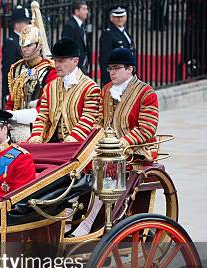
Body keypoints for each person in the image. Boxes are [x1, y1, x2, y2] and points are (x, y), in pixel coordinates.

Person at [71, 48, 159, 239]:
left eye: (116, 68)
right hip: (107, 146)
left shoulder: (146, 92)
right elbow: (99, 121)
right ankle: (70, 216)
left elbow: (147, 129)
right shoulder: (106, 90)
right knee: (77, 163)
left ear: (130, 69)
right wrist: (93, 141)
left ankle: (88, 224)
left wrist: (120, 144)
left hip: (136, 150)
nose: (112, 72)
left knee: (108, 165)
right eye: (110, 68)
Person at [28, 38, 100, 143]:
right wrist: (36, 135)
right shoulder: (50, 87)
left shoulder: (90, 88)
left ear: (75, 61)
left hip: (78, 144)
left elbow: (88, 118)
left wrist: (73, 138)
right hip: (51, 142)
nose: (56, 65)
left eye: (61, 61)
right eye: (55, 60)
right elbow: (42, 116)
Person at [4, 4, 57, 142]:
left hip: (39, 125)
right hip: (15, 121)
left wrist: (14, 116)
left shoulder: (49, 71)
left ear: (39, 45)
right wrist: (8, 116)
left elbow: (46, 106)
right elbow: (12, 100)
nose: (24, 49)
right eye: (22, 45)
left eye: (28, 45)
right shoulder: (17, 68)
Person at [99, 6, 134, 86]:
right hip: (116, 77)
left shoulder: (125, 32)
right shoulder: (108, 34)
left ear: (126, 17)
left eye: (122, 16)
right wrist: (108, 79)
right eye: (117, 17)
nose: (120, 19)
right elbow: (105, 59)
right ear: (111, 18)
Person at [1, 5, 30, 101]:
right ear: (17, 25)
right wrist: (9, 91)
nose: (28, 25)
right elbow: (8, 69)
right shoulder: (12, 42)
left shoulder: (24, 40)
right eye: (25, 23)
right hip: (15, 89)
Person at [61, 0, 90, 74]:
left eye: (87, 9)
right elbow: (66, 47)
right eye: (84, 9)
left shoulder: (81, 25)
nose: (87, 12)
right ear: (76, 11)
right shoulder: (70, 26)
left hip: (81, 65)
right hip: (74, 67)